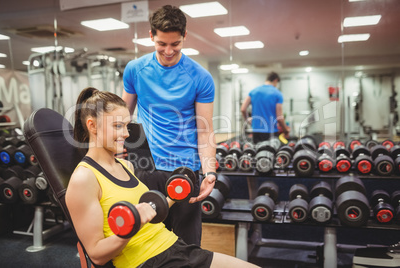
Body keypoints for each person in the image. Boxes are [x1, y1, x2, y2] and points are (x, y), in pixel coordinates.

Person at [65, 87, 260, 268]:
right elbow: (97, 254)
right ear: (92, 126)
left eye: (127, 126)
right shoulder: (84, 179)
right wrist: (132, 226)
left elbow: (150, 211)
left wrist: (173, 196)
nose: (125, 134)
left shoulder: (126, 166)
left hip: (174, 248)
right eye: (117, 126)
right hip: (148, 261)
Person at [122, 5, 216, 245]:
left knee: (187, 243)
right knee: (147, 241)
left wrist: (209, 172)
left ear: (185, 36)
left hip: (185, 169)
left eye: (175, 44)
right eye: (162, 43)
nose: (168, 51)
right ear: (151, 36)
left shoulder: (200, 77)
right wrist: (114, 152)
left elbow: (205, 131)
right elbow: (122, 119)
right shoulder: (135, 70)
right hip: (145, 167)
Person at [240, 71, 290, 144]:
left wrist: (247, 119)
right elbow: (279, 117)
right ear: (275, 80)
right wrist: (285, 130)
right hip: (271, 131)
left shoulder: (253, 91)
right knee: (270, 153)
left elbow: (243, 109)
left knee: (258, 153)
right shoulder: (277, 93)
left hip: (256, 130)